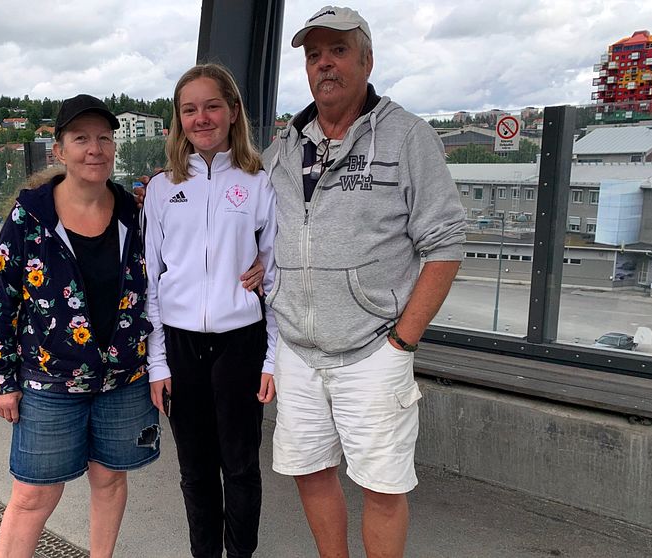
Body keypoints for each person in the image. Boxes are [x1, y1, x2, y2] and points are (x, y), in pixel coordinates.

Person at [263, 6, 466, 558]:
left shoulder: (406, 138)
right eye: (313, 55)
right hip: (299, 353)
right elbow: (255, 224)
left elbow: (445, 245)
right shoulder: (284, 148)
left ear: (367, 59)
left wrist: (402, 341)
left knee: (382, 485)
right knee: (310, 472)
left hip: (373, 349)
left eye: (337, 51)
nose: (324, 64)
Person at [0, 94, 159, 558]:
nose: (95, 148)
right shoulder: (30, 217)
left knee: (109, 479)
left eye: (104, 138)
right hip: (49, 382)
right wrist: (4, 378)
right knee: (33, 496)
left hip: (122, 379)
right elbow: (0, 299)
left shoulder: (133, 213)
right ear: (59, 150)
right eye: (81, 139)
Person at [144, 63, 277, 558]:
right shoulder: (161, 189)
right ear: (180, 120)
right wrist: (158, 363)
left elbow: (277, 274)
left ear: (233, 111)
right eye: (190, 109)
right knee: (195, 470)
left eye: (212, 106)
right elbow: (150, 282)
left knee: (240, 467)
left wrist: (271, 359)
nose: (202, 118)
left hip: (241, 343)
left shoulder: (260, 183)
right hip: (180, 346)